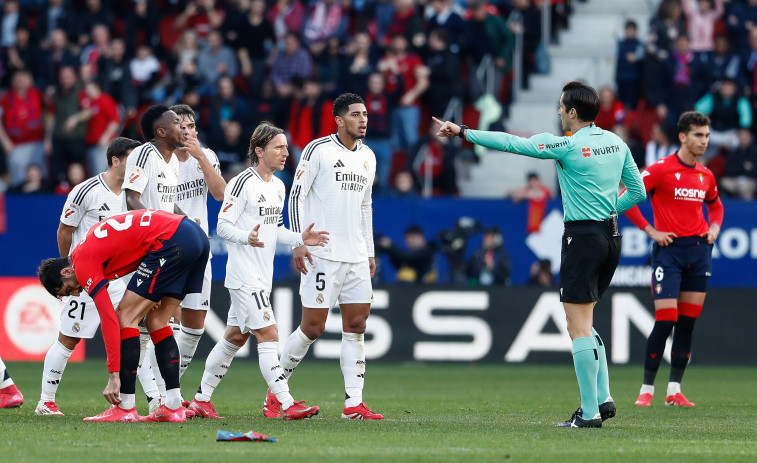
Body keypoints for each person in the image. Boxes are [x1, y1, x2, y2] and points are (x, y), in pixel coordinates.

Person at [433, 80, 647, 428]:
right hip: (612, 237)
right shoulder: (616, 142)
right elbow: (637, 192)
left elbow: (513, 143)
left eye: (562, 106)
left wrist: (464, 132)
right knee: (586, 321)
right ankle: (604, 396)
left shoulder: (566, 145)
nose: (559, 111)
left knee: (577, 326)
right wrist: (610, 211)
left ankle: (589, 412)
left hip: (582, 237)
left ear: (573, 112)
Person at [189, 121, 327, 420]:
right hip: (244, 276)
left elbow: (274, 229)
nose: (285, 153)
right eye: (278, 147)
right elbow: (223, 226)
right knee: (269, 334)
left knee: (234, 338)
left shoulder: (278, 186)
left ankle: (201, 399)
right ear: (259, 150)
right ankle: (287, 403)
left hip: (261, 276)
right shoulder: (242, 183)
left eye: (286, 147)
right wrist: (245, 237)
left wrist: (300, 238)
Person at [37, 209, 210, 423]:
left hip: (172, 240)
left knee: (124, 318)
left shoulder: (81, 263)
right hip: (196, 236)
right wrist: (152, 292)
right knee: (157, 321)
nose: (76, 293)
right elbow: (136, 245)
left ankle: (125, 407)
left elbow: (109, 318)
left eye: (68, 289)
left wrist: (113, 375)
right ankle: (173, 405)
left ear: (65, 272)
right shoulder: (90, 244)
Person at [283, 93, 383, 420]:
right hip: (322, 253)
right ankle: (276, 391)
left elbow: (366, 206)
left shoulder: (369, 156)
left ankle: (353, 403)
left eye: (365, 114)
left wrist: (368, 250)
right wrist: (298, 242)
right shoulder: (318, 150)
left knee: (356, 325)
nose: (363, 120)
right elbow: (296, 196)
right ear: (339, 120)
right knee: (313, 327)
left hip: (355, 255)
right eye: (356, 115)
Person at [35, 137, 140, 417]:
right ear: (116, 160)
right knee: (68, 340)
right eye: (132, 158)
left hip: (119, 278)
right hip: (85, 280)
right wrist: (72, 273)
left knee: (136, 334)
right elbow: (64, 231)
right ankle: (46, 401)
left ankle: (152, 401)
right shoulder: (86, 191)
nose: (138, 164)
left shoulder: (135, 193)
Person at [624, 111, 723, 408]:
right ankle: (646, 389)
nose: (704, 141)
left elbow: (715, 207)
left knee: (687, 323)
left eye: (706, 136)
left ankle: (674, 391)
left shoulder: (706, 175)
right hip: (669, 253)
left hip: (699, 252)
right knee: (666, 320)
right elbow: (626, 196)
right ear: (682, 136)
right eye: (698, 135)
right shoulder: (661, 169)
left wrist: (715, 227)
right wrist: (651, 231)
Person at [169, 104, 226, 389]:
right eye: (181, 125)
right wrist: (183, 222)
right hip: (165, 249)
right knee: (160, 322)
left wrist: (200, 155)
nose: (187, 131)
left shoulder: (206, 156)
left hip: (200, 249)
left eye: (191, 126)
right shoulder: (158, 160)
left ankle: (170, 391)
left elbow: (220, 194)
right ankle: (156, 393)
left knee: (193, 328)